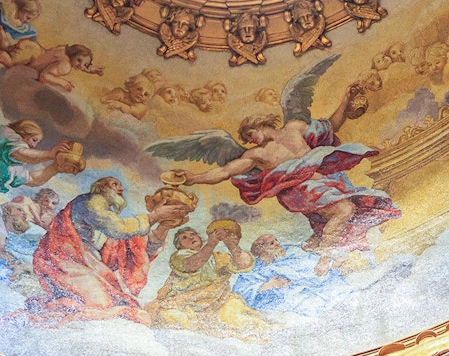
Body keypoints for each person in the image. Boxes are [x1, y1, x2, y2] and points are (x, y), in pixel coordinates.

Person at [168, 80, 401, 274]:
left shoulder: (295, 128)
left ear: (259, 124)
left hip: (327, 180)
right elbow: (224, 171)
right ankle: (324, 259)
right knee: (345, 210)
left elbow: (332, 125)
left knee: (352, 210)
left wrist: (345, 100)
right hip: (302, 189)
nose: (250, 140)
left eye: (250, 134)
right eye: (247, 139)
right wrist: (194, 178)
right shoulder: (257, 154)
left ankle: (320, 246)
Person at [26, 176, 189, 325]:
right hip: (63, 260)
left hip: (85, 262)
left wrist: (163, 226)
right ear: (102, 187)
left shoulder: (104, 214)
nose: (120, 188)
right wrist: (153, 217)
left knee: (115, 302)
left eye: (120, 185)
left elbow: (131, 249)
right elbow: (117, 228)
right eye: (114, 184)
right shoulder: (91, 201)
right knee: (100, 303)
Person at [148, 221, 262, 332]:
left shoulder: (217, 257)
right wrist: (211, 244)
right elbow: (193, 264)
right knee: (174, 318)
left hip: (216, 302)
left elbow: (244, 264)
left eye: (193, 234)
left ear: (200, 238)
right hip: (183, 303)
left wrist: (231, 244)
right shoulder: (179, 256)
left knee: (237, 315)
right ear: (180, 246)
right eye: (184, 238)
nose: (190, 238)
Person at [232, 234, 344, 316]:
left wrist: (330, 266)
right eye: (272, 243)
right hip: (279, 299)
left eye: (276, 240)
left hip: (304, 287)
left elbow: (307, 263)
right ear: (262, 250)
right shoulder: (255, 268)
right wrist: (267, 286)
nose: (278, 243)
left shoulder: (289, 253)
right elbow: (240, 291)